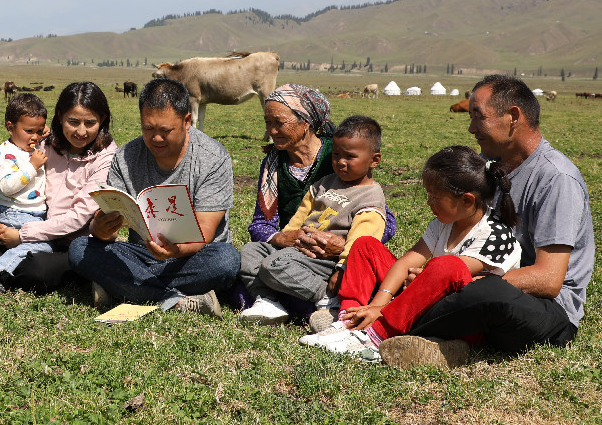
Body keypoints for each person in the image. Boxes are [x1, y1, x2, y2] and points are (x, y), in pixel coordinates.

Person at [381, 75, 594, 368]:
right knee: (378, 257)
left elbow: (548, 280)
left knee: (487, 293)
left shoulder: (556, 179)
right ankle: (428, 333)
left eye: (478, 116)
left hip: (542, 309)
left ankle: (383, 327)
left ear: (513, 117)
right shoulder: (487, 165)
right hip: (476, 282)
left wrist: (455, 283)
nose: (471, 128)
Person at [299, 146, 521, 363]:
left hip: (462, 319)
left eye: (435, 197)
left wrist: (388, 308)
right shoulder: (444, 222)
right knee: (365, 245)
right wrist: (378, 305)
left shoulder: (496, 235)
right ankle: (349, 320)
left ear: (467, 200)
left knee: (447, 265)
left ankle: (376, 336)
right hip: (420, 301)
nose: (429, 202)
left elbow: (448, 277)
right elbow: (406, 263)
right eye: (428, 195)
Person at [67, 78, 239, 317]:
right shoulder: (126, 157)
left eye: (165, 131)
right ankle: (175, 300)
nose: (156, 138)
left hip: (194, 256)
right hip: (142, 253)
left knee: (226, 261)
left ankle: (122, 286)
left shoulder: (213, 157)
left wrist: (174, 251)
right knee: (80, 249)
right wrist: (101, 228)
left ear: (187, 121)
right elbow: (107, 229)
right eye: (148, 129)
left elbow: (205, 231)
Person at [235, 84, 396, 319]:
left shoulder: (338, 155)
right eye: (267, 123)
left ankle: (326, 300)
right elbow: (261, 223)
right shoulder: (273, 162)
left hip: (329, 256)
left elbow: (384, 222)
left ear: (306, 123)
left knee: (269, 271)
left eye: (279, 122)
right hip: (295, 248)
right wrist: (282, 237)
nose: (271, 131)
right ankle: (268, 302)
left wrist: (343, 247)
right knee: (247, 256)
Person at [0, 82, 117, 294]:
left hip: (71, 242)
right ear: (60, 116)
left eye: (90, 123)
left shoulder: (106, 158)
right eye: (73, 122)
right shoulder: (46, 143)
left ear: (103, 119)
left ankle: (3, 271)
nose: (81, 131)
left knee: (36, 270)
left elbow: (79, 216)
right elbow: (18, 182)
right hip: (32, 224)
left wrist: (22, 235)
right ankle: (3, 270)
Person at [0, 93, 51, 292]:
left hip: (32, 213)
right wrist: (32, 167)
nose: (35, 137)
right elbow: (6, 186)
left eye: (39, 131)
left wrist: (46, 132)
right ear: (10, 127)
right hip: (18, 213)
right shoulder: (6, 155)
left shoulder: (27, 146)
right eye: (29, 131)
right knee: (45, 245)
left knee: (41, 245)